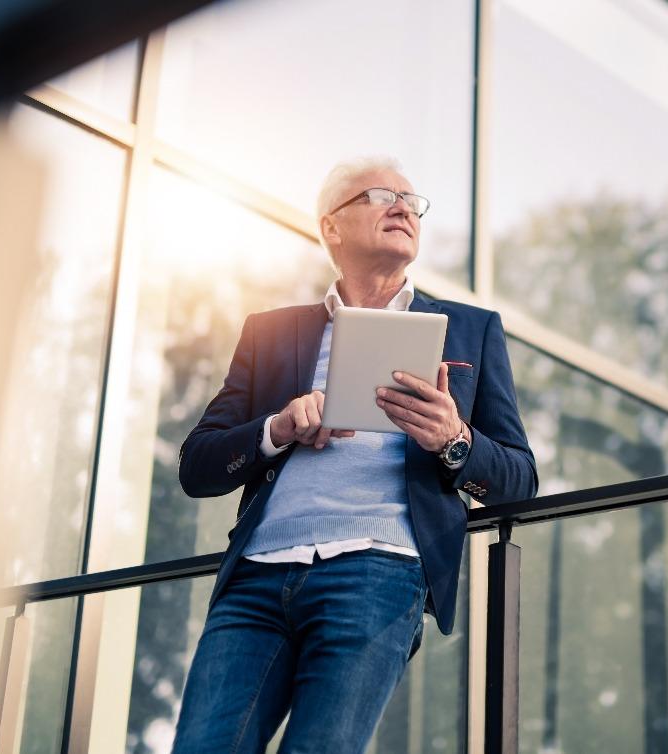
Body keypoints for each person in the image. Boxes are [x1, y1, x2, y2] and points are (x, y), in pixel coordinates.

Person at [171, 156, 537, 753]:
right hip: (255, 580)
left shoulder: (473, 329)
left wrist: (454, 438)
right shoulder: (271, 332)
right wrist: (277, 428)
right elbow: (198, 464)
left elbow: (520, 479)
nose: (403, 208)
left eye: (412, 201)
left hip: (377, 573)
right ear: (331, 227)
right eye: (380, 195)